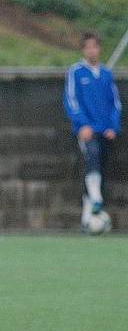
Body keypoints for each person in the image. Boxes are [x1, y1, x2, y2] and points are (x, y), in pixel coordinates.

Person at [63, 31, 121, 231]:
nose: (92, 50)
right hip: (87, 130)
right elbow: (71, 100)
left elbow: (115, 103)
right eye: (88, 47)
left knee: (99, 167)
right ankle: (96, 197)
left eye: (95, 46)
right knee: (92, 157)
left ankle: (88, 219)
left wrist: (113, 126)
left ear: (99, 49)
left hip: (105, 130)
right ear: (83, 50)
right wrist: (82, 124)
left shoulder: (106, 73)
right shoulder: (76, 71)